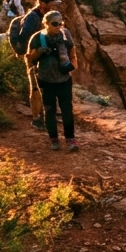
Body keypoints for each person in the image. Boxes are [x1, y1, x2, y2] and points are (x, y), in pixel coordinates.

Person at [26, 10, 77, 150]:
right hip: (45, 81)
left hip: (64, 80)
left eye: (60, 23)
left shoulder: (66, 35)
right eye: (55, 24)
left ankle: (70, 139)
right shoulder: (37, 38)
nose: (58, 26)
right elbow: (29, 59)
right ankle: (54, 140)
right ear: (46, 24)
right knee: (50, 111)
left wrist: (72, 66)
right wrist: (39, 52)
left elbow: (72, 51)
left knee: (67, 111)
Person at [13, 0, 58, 131]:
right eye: (50, 3)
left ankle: (46, 117)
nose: (51, 6)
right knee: (35, 88)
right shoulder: (32, 17)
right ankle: (36, 119)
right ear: (42, 3)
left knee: (47, 87)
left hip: (44, 57)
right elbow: (24, 36)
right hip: (33, 57)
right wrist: (33, 51)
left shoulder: (42, 16)